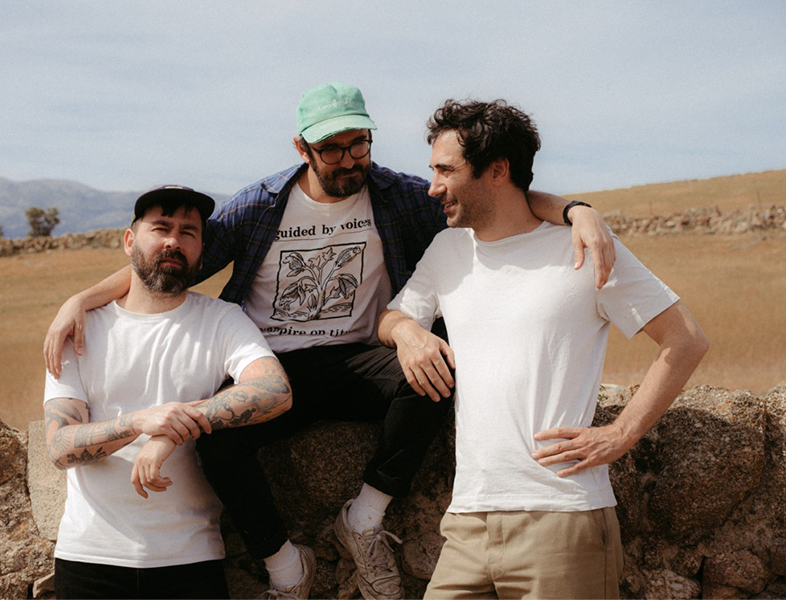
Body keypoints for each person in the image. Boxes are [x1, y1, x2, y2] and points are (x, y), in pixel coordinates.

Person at [43, 82, 617, 600]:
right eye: (333, 149)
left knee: (437, 375)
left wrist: (575, 208)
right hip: (272, 367)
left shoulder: (397, 195)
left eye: (360, 144)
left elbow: (493, 194)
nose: (349, 160)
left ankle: (364, 520)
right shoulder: (260, 204)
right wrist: (83, 299)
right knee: (218, 447)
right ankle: (284, 567)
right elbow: (176, 255)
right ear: (303, 149)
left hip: (358, 361)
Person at [378, 99, 709, 599]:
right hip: (467, 521)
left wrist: (620, 435)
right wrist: (408, 333)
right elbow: (392, 317)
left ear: (497, 170)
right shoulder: (448, 251)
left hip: (564, 518)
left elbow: (686, 340)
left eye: (446, 170)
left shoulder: (584, 246)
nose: (433, 186)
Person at [43, 185, 292, 600]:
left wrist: (170, 430)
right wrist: (138, 421)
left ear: (200, 250)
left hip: (190, 560)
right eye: (160, 228)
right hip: (89, 558)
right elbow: (59, 446)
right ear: (129, 241)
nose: (174, 241)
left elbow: (274, 389)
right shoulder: (81, 329)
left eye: (189, 233)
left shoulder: (222, 321)